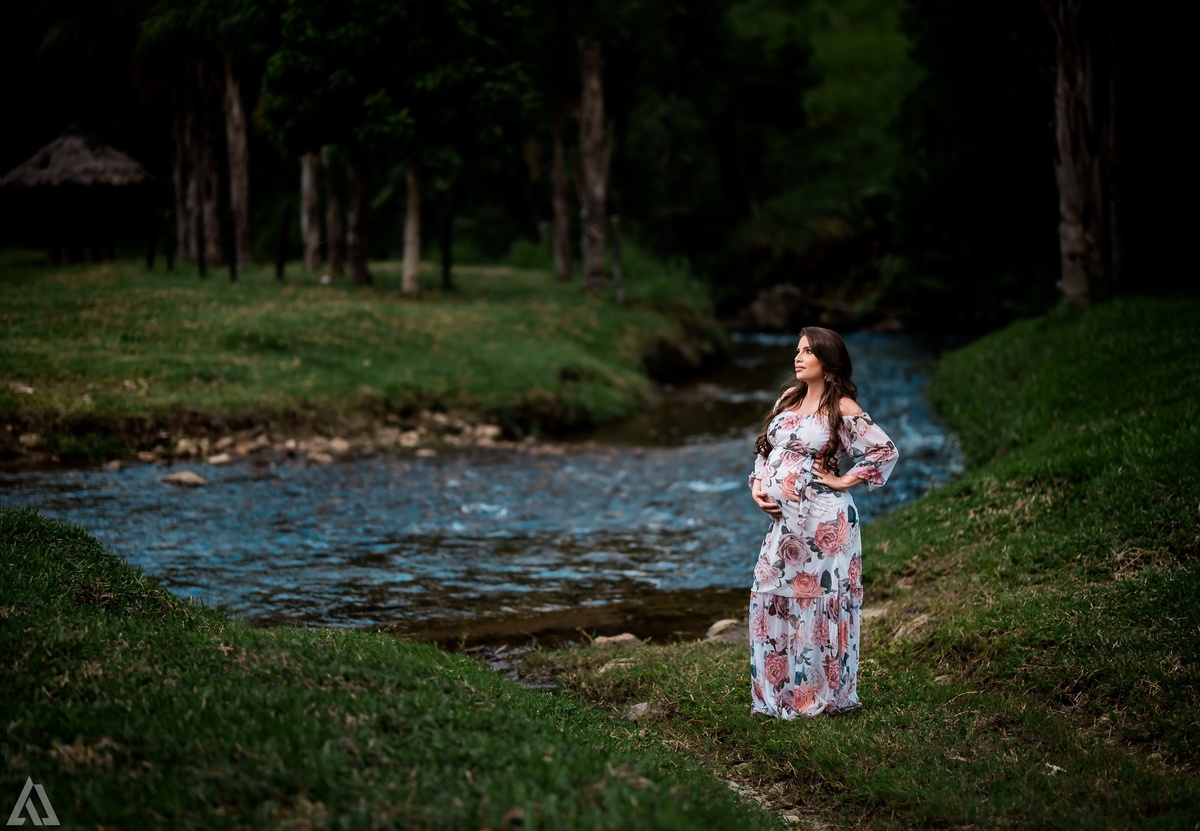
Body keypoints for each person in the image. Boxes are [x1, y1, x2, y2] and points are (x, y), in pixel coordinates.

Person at [747, 327, 899, 718]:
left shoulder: (842, 407)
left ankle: (821, 696)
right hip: (785, 525)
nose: (797, 358)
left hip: (825, 523)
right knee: (772, 591)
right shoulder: (788, 398)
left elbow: (883, 451)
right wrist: (758, 486)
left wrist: (844, 479)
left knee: (818, 601)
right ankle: (778, 695)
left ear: (828, 361)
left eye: (808, 352)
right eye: (797, 350)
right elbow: (766, 451)